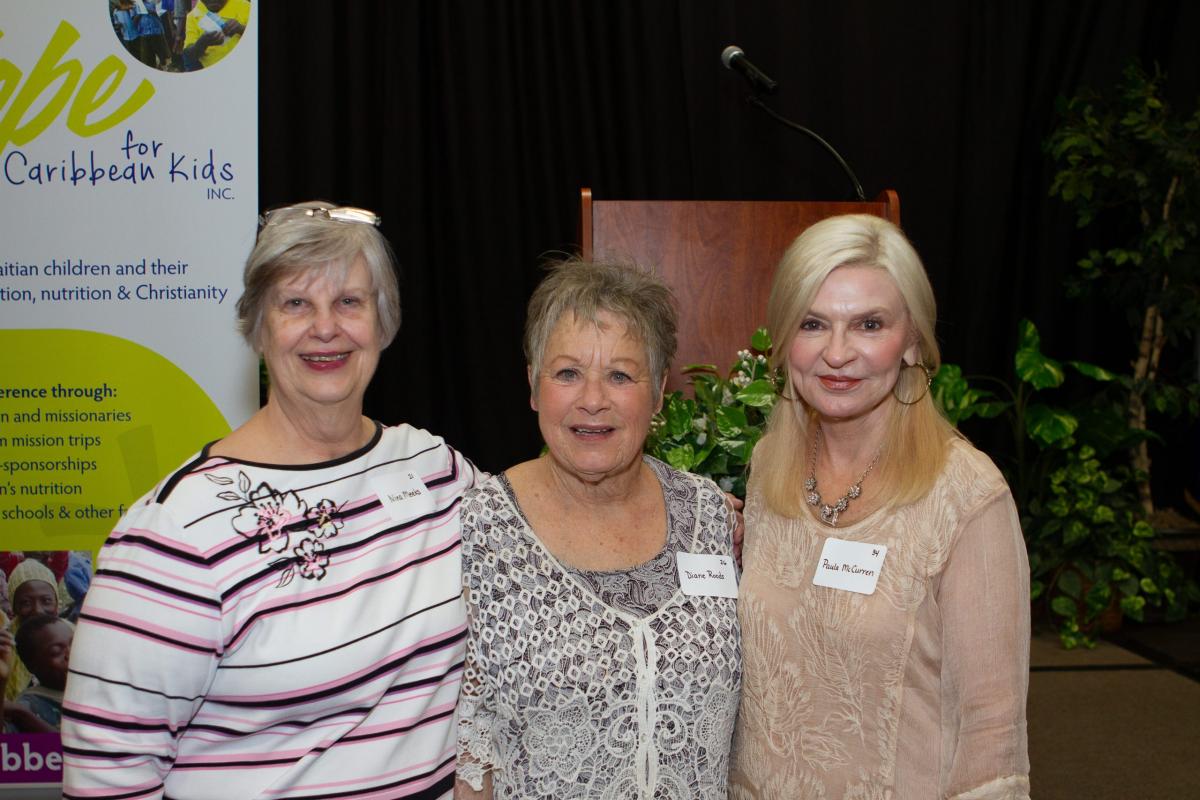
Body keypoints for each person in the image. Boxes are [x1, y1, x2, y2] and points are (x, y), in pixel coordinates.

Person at [62, 202, 480, 799]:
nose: (326, 328)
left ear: (383, 322)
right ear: (258, 327)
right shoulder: (175, 531)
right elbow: (107, 776)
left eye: (349, 302)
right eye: (296, 304)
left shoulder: (435, 469)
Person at [729, 214, 1030, 799]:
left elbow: (992, 735)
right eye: (813, 324)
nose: (837, 353)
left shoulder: (966, 496)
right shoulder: (769, 468)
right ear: (784, 340)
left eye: (869, 324)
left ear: (912, 340)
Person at [455, 259, 742, 798]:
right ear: (533, 386)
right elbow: (471, 751)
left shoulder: (710, 516)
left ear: (658, 391)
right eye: (567, 373)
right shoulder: (480, 529)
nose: (592, 400)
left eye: (620, 375)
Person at [11, 614, 73, 731]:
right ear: (32, 666)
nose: (71, 655)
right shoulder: (31, 705)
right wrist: (22, 715)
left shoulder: (97, 686)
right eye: (56, 651)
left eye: (75, 644)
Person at [182, 0, 250, 70]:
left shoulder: (245, 6)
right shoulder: (193, 16)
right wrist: (201, 44)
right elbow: (189, 55)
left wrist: (241, 29)